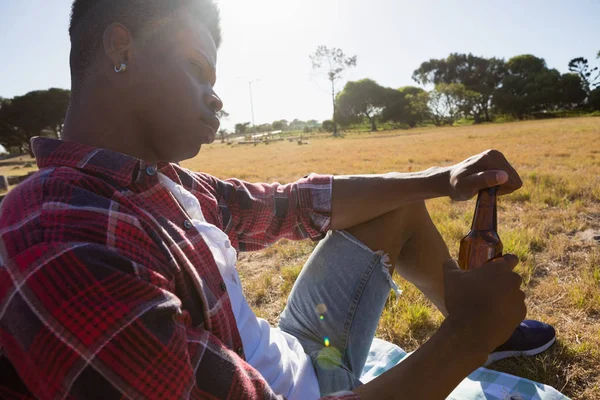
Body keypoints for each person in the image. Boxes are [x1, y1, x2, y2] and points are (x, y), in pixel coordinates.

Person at [0, 1, 556, 399]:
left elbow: (291, 203)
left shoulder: (154, 181)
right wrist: (463, 342)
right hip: (308, 385)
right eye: (197, 69)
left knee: (397, 207)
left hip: (296, 344)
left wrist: (443, 178)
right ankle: (484, 326)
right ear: (121, 48)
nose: (215, 97)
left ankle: (489, 326)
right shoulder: (66, 246)